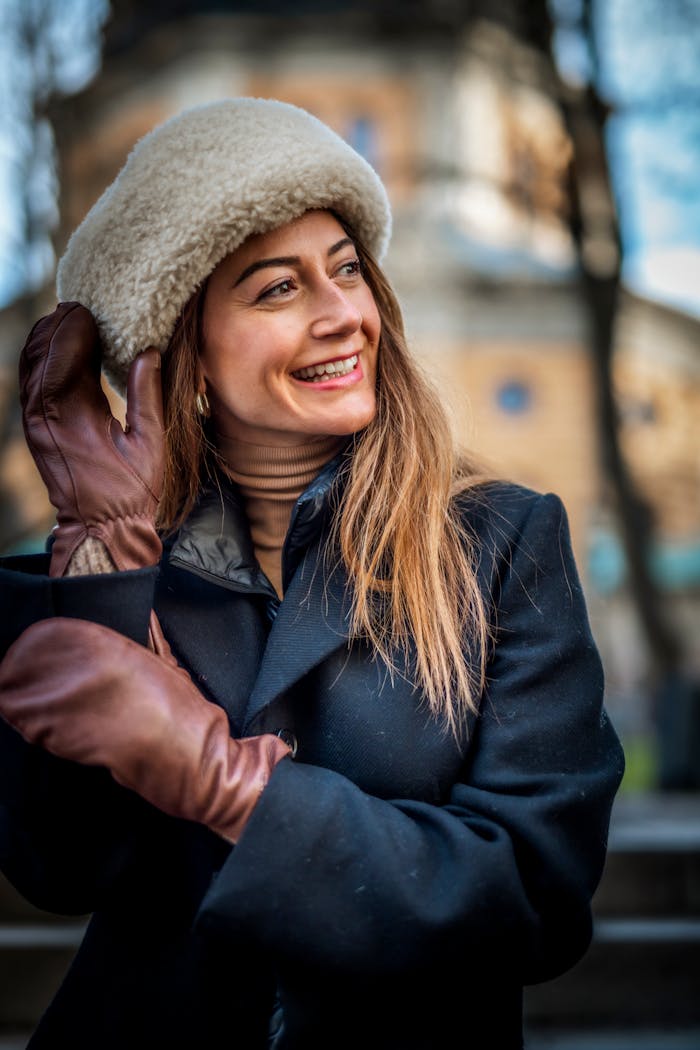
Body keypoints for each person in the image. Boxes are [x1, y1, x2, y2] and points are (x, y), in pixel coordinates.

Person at [0, 98, 624, 1050]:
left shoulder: (502, 544)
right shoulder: (111, 574)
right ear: (186, 351)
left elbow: (533, 896)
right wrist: (101, 561)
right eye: (276, 289)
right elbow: (62, 864)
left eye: (346, 271)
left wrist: (228, 788)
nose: (343, 316)